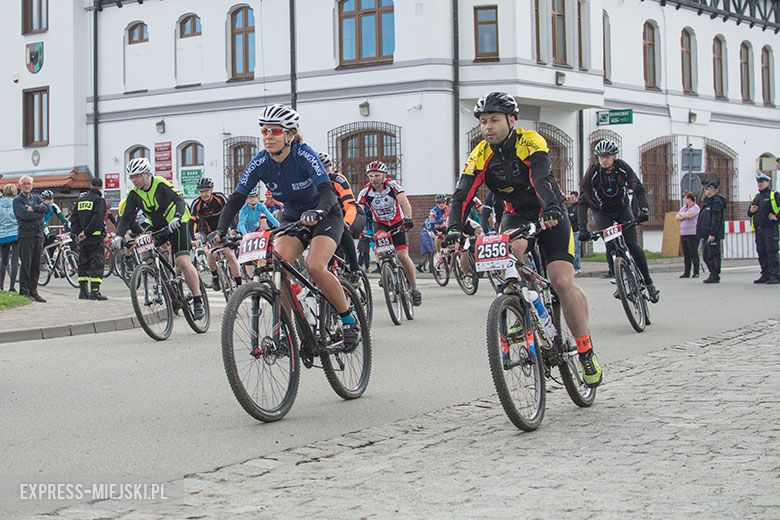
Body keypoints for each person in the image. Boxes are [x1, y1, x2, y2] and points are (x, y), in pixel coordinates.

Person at [445, 91, 602, 388]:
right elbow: (463, 193)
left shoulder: (530, 141)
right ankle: (523, 307)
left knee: (561, 280)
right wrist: (453, 227)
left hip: (549, 212)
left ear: (511, 120)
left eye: (493, 120)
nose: (487, 127)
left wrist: (552, 209)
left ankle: (585, 350)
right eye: (483, 122)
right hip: (516, 216)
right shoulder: (480, 153)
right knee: (511, 250)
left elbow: (541, 178)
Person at [213, 104, 361, 348]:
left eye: (275, 131)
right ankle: (284, 331)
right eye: (264, 132)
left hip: (325, 214)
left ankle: (348, 319)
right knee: (276, 267)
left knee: (314, 265)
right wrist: (220, 229)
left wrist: (319, 211)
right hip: (292, 217)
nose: (268, 136)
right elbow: (237, 198)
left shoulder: (303, 154)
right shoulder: (260, 162)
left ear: (289, 134)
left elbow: (326, 190)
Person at [114, 158, 205, 319]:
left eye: (137, 176)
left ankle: (198, 300)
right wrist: (118, 236)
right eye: (132, 177)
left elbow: (179, 200)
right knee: (142, 244)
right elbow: (126, 217)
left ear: (147, 174)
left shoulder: (160, 183)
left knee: (182, 261)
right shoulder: (134, 193)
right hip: (157, 225)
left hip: (178, 222)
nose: (134, 180)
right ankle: (157, 276)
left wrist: (177, 217)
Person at [579, 139, 660, 303]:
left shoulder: (622, 167)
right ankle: (618, 278)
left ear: (614, 157)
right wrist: (583, 228)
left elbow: (638, 188)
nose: (604, 160)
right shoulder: (593, 172)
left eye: (607, 157)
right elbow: (583, 199)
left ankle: (649, 283)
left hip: (622, 208)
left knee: (632, 245)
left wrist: (644, 210)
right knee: (610, 244)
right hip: (602, 211)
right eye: (601, 157)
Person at [357, 160, 422, 306]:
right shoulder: (365, 192)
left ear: (384, 175)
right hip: (380, 224)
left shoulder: (392, 186)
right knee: (381, 252)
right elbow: (359, 212)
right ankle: (386, 274)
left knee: (403, 256)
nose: (374, 178)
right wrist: (358, 228)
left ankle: (414, 288)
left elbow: (405, 204)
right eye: (371, 175)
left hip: (398, 222)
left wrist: (408, 218)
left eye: (377, 175)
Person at [318, 152, 366, 281]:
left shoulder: (337, 179)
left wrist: (347, 223)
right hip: (333, 218)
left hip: (353, 215)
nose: (325, 173)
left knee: (344, 231)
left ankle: (355, 269)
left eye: (327, 169)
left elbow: (349, 205)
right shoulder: (314, 183)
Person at [189, 177, 242, 291]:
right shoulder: (196, 203)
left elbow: (231, 212)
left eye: (206, 191)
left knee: (229, 253)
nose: (204, 194)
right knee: (209, 253)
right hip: (205, 230)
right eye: (201, 191)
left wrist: (233, 229)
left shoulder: (220, 198)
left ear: (211, 190)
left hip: (221, 227)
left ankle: (239, 283)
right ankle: (215, 276)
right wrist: (192, 238)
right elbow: (191, 222)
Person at [70, 177, 108, 300]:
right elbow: (97, 220)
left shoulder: (80, 201)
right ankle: (95, 292)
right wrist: (86, 233)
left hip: (83, 240)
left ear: (90, 185)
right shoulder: (99, 201)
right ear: (101, 187)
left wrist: (79, 233)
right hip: (95, 238)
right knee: (97, 264)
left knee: (83, 264)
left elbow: (73, 219)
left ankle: (83, 292)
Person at [13, 176, 48, 302]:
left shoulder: (37, 198)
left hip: (39, 235)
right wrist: (38, 213)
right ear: (20, 185)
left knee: (36, 265)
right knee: (26, 264)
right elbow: (24, 216)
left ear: (32, 185)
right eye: (24, 184)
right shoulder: (17, 200)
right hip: (26, 235)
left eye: (29, 183)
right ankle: (24, 292)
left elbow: (47, 209)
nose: (27, 186)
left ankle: (34, 291)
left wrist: (33, 209)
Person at [747, 172, 779, 284]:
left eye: (762, 182)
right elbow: (749, 213)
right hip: (759, 229)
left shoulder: (774, 195)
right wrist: (751, 211)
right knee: (761, 252)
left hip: (770, 229)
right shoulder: (756, 197)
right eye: (758, 182)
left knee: (772, 251)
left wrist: (777, 217)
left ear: (767, 182)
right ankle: (765, 274)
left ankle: (775, 275)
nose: (759, 184)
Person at [697, 180, 727, 284]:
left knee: (713, 255)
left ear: (713, 190)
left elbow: (716, 219)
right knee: (706, 255)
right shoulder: (707, 201)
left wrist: (713, 234)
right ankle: (713, 273)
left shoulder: (717, 201)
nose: (706, 190)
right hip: (706, 233)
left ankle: (715, 275)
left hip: (712, 234)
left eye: (708, 189)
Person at [676, 192, 700, 278]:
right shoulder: (684, 208)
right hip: (684, 233)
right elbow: (677, 217)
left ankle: (696, 272)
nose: (684, 200)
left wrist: (682, 215)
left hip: (693, 233)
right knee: (686, 254)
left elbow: (690, 215)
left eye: (685, 198)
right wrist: (683, 215)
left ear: (689, 199)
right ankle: (686, 272)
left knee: (693, 253)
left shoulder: (695, 208)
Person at [0, 184, 20, 292]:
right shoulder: (17, 202)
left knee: (3, 261)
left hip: (2, 235)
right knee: (14, 261)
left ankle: (1, 287)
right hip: (15, 234)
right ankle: (12, 287)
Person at [567, 191, 581, 273]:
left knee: (576, 249)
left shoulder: (579, 207)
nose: (571, 199)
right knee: (570, 250)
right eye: (570, 197)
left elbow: (576, 218)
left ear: (576, 197)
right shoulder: (570, 208)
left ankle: (577, 267)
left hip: (577, 231)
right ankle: (572, 267)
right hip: (570, 231)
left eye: (573, 197)